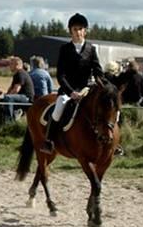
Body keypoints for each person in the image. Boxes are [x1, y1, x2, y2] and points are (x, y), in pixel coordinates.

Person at [40, 12, 104, 154]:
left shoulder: (91, 49)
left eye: (80, 29)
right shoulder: (65, 49)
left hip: (87, 89)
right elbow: (61, 74)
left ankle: (112, 142)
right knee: (59, 106)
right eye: (75, 29)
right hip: (69, 91)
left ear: (85, 31)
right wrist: (71, 92)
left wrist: (102, 85)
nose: (78, 32)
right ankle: (49, 141)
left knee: (106, 107)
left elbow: (98, 71)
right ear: (70, 31)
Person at [1, 56, 34, 122]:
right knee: (6, 97)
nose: (9, 66)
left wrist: (7, 96)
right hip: (21, 96)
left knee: (8, 98)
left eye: (11, 64)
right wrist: (4, 96)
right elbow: (11, 88)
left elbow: (16, 89)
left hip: (26, 98)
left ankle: (8, 121)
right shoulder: (16, 74)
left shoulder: (20, 73)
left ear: (17, 65)